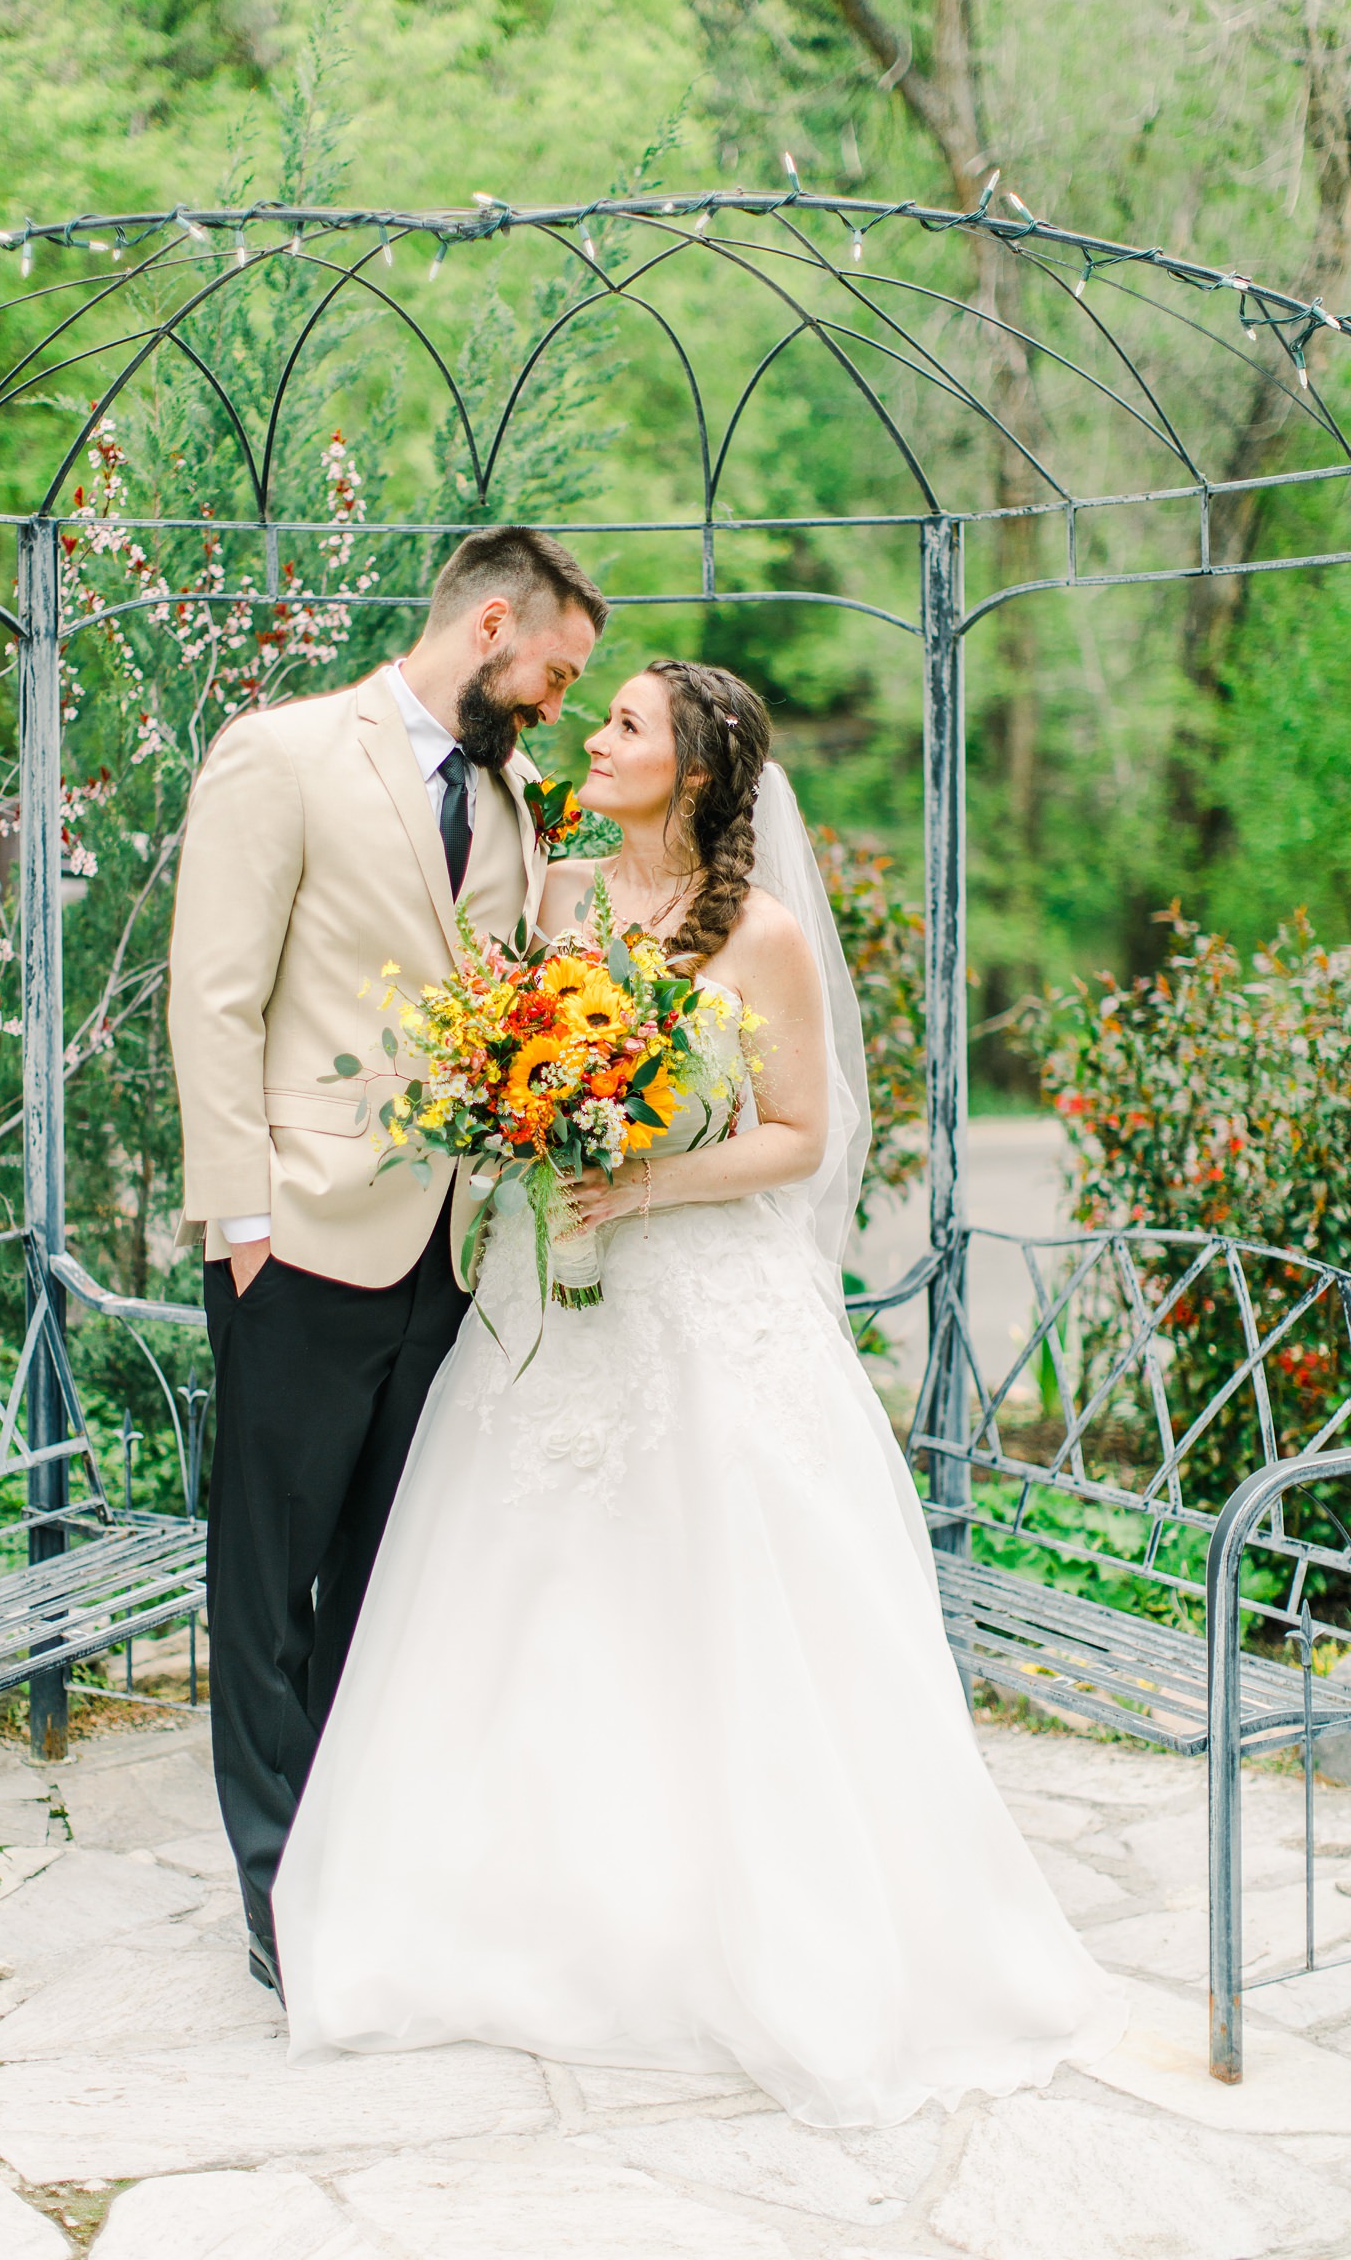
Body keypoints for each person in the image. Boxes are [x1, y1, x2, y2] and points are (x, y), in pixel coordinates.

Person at [273, 659, 1126, 2128]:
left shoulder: (768, 939)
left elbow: (799, 1135)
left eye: (624, 726)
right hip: (554, 1309)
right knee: (521, 1594)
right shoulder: (556, 900)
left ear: (699, 768)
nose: (592, 738)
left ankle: (747, 1930)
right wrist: (520, 1122)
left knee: (721, 1595)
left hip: (702, 1310)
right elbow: (502, 1061)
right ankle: (523, 1916)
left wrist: (649, 1175)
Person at [166, 525, 607, 2000]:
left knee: (385, 1579)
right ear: (491, 625)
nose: (554, 703)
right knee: (268, 1578)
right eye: (553, 671)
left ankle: (365, 1858)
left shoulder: (513, 793)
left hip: (450, 1250)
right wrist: (243, 1223)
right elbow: (214, 999)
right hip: (297, 1236)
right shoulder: (282, 755)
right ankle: (277, 1893)